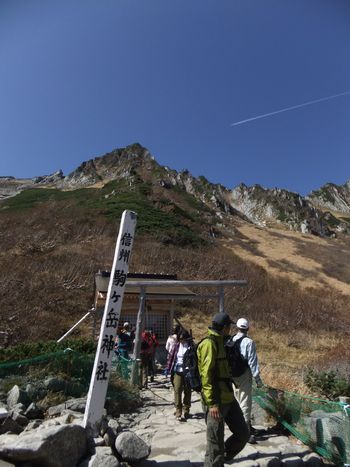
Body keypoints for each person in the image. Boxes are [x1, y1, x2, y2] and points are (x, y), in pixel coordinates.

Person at [197, 312, 249, 467]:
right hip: (216, 401)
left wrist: (232, 381)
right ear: (225, 327)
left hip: (229, 398)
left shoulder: (221, 341)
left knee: (243, 434)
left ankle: (220, 458)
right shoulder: (209, 344)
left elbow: (222, 369)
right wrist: (212, 403)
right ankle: (215, 461)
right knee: (214, 444)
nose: (230, 330)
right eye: (229, 327)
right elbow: (206, 376)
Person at [229, 318, 263, 444]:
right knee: (245, 403)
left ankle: (240, 428)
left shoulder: (231, 339)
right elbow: (253, 363)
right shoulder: (249, 342)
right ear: (247, 328)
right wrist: (259, 381)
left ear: (237, 327)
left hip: (232, 375)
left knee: (236, 401)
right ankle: (245, 433)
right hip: (244, 375)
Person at [167, 329, 192, 421]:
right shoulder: (176, 346)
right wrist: (169, 369)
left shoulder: (190, 346)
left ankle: (186, 409)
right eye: (180, 338)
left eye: (183, 339)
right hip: (177, 371)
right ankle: (178, 409)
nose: (182, 340)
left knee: (187, 390)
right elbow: (171, 357)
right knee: (177, 389)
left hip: (187, 372)